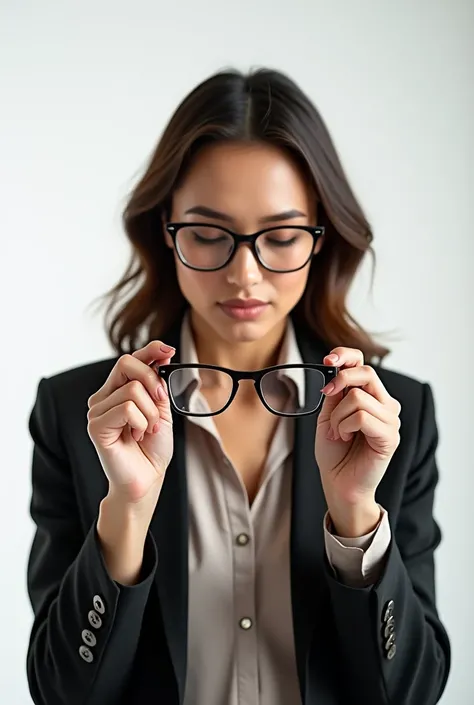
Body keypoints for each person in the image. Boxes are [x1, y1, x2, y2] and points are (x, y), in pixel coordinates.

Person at [26, 68, 451, 705]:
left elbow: (413, 692)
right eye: (207, 235)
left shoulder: (390, 417)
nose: (244, 274)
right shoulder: (81, 414)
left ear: (320, 237)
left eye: (280, 237)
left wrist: (357, 519)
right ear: (163, 229)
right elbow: (62, 692)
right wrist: (126, 513)